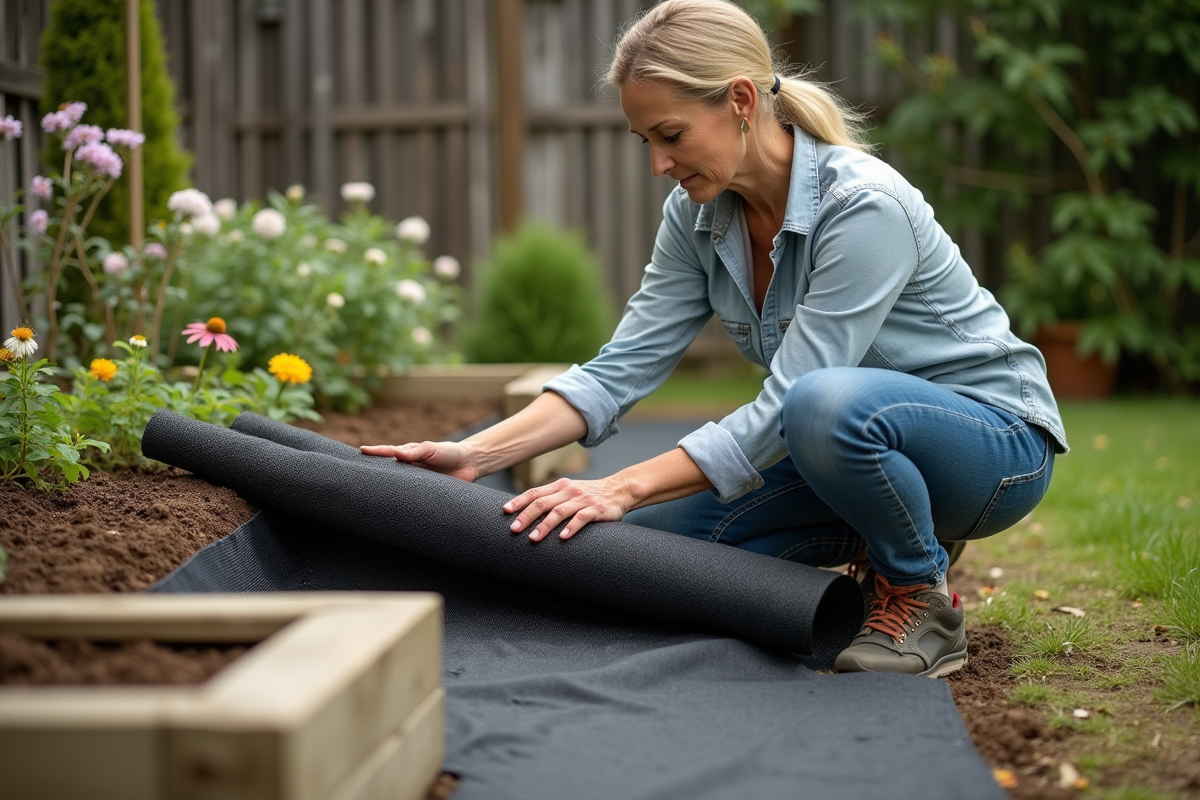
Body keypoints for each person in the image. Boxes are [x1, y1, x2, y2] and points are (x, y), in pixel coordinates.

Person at [363, 0, 1067, 677]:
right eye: (646, 142)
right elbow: (622, 366)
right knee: (641, 556)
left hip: (993, 450)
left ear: (739, 101)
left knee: (820, 403)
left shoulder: (863, 208)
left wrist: (625, 484)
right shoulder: (697, 217)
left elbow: (799, 396)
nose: (658, 165)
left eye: (671, 136)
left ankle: (921, 595)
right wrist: (476, 453)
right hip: (840, 449)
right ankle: (886, 549)